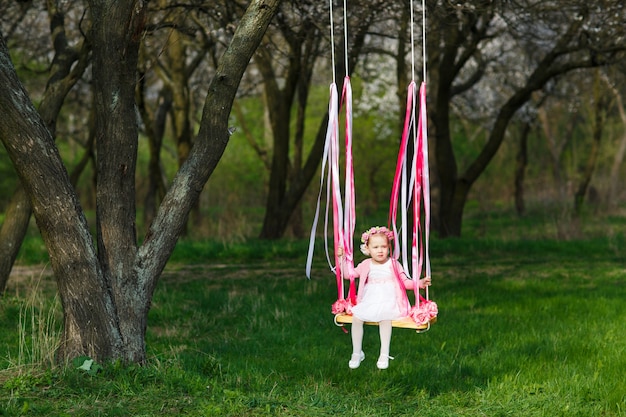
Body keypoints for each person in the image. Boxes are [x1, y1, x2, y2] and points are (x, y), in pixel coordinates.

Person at [338, 226, 431, 369]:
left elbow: (405, 282)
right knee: (357, 318)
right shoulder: (365, 264)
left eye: (383, 246)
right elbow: (347, 275)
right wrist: (341, 259)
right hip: (370, 300)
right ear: (367, 249)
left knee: (385, 317)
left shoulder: (394, 264)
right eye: (375, 247)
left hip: (390, 300)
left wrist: (419, 283)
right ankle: (357, 352)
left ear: (389, 248)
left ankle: (384, 353)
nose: (380, 250)